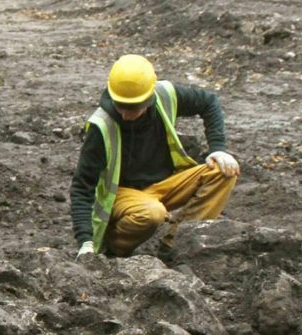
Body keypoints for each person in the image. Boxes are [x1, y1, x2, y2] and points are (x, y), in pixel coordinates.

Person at [70, 54, 239, 259]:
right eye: (121, 106)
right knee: (152, 213)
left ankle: (176, 246)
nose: (126, 115)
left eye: (133, 108)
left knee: (223, 171)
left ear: (149, 98)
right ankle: (116, 248)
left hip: (164, 184)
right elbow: (82, 186)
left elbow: (209, 101)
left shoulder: (165, 95)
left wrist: (218, 148)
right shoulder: (101, 126)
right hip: (122, 195)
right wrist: (86, 241)